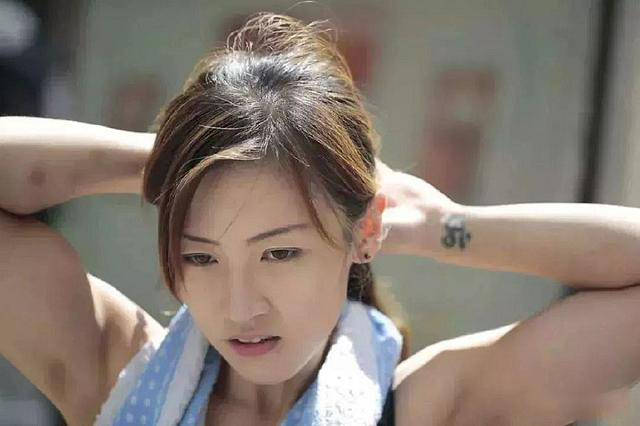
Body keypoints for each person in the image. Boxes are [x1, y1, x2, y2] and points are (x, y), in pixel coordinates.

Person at [1, 12, 639, 426]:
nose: (240, 305)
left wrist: (438, 224)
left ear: (365, 233)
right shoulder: (120, 374)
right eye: (201, 257)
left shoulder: (425, 408)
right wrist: (174, 156)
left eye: (279, 252)